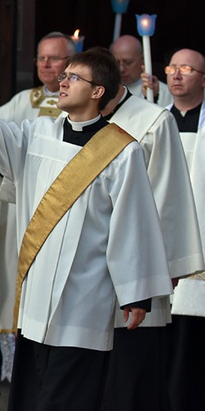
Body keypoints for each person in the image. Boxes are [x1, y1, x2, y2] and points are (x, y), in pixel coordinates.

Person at [0, 47, 173, 410]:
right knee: (32, 393)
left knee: (68, 397)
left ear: (97, 92)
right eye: (64, 77)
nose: (62, 82)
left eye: (73, 77)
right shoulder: (37, 134)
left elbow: (133, 224)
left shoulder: (122, 153)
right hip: (35, 295)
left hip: (85, 299)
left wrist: (135, 292)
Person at [96, 63, 203, 411]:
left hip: (136, 264)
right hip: (89, 266)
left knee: (131, 376)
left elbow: (168, 197)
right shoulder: (67, 122)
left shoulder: (153, 121)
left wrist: (162, 269)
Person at [0, 31, 74, 382]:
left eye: (55, 58)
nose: (46, 65)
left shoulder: (83, 107)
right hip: (17, 208)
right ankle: (14, 365)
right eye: (41, 58)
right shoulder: (20, 102)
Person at [150, 48, 205, 411]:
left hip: (200, 241)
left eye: (187, 68)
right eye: (172, 67)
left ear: (203, 78)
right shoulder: (152, 121)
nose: (177, 74)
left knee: (191, 344)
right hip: (157, 241)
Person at [110, 35, 173, 106]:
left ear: (142, 59)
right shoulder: (106, 92)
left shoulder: (163, 92)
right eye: (116, 63)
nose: (121, 69)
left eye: (128, 63)